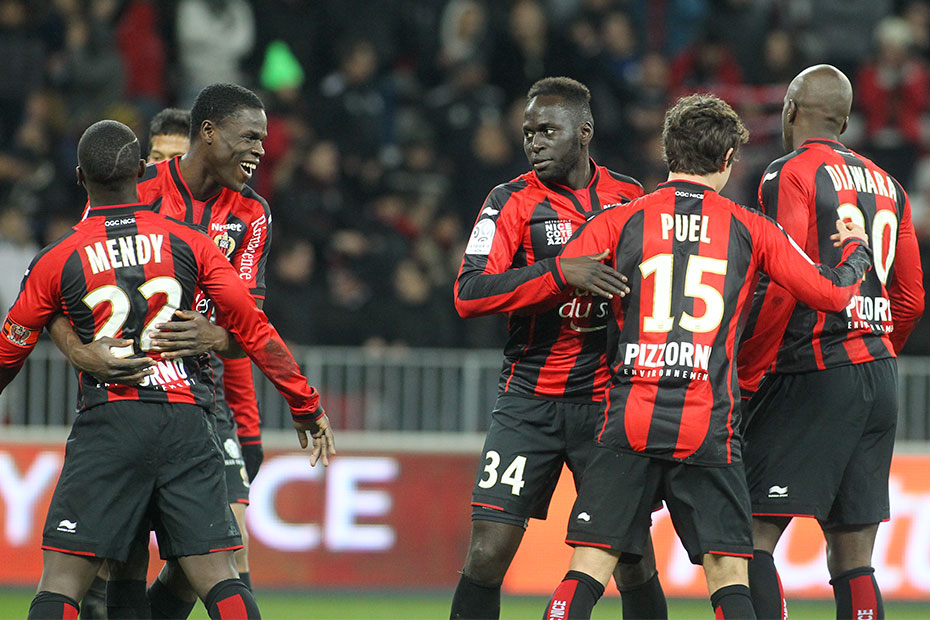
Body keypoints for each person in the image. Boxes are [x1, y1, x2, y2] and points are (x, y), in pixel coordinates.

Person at [541, 93, 873, 620]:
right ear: (727, 159)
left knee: (590, 565)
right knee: (728, 574)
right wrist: (856, 253)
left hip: (629, 416)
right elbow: (829, 294)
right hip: (707, 423)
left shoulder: (620, 219)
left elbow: (561, 276)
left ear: (667, 151)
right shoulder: (751, 227)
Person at [0, 119, 335, 620]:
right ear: (142, 171)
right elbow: (253, 327)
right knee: (220, 575)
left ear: (80, 177)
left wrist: (73, 344)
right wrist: (305, 404)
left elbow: (8, 352)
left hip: (110, 420)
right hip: (186, 420)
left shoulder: (56, 258)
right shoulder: (192, 243)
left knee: (63, 582)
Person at [47, 83, 275, 619]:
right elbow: (58, 287)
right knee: (125, 555)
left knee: (222, 552)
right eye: (157, 156)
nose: (164, 165)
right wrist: (80, 353)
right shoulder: (130, 196)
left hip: (205, 395)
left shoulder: (250, 213)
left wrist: (247, 426)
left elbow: (245, 328)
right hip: (125, 391)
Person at [451, 76, 667, 620]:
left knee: (632, 559)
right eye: (529, 133)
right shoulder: (509, 200)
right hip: (528, 401)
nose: (534, 142)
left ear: (584, 131)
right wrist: (557, 274)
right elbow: (469, 292)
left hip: (607, 406)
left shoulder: (630, 197)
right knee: (487, 553)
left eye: (548, 130)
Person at [736, 65, 924, 620]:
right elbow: (911, 298)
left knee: (747, 535)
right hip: (878, 373)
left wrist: (748, 371)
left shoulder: (788, 172)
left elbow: (784, 283)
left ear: (790, 109)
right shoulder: (889, 184)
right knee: (852, 554)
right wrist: (877, 346)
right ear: (843, 121)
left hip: (813, 369)